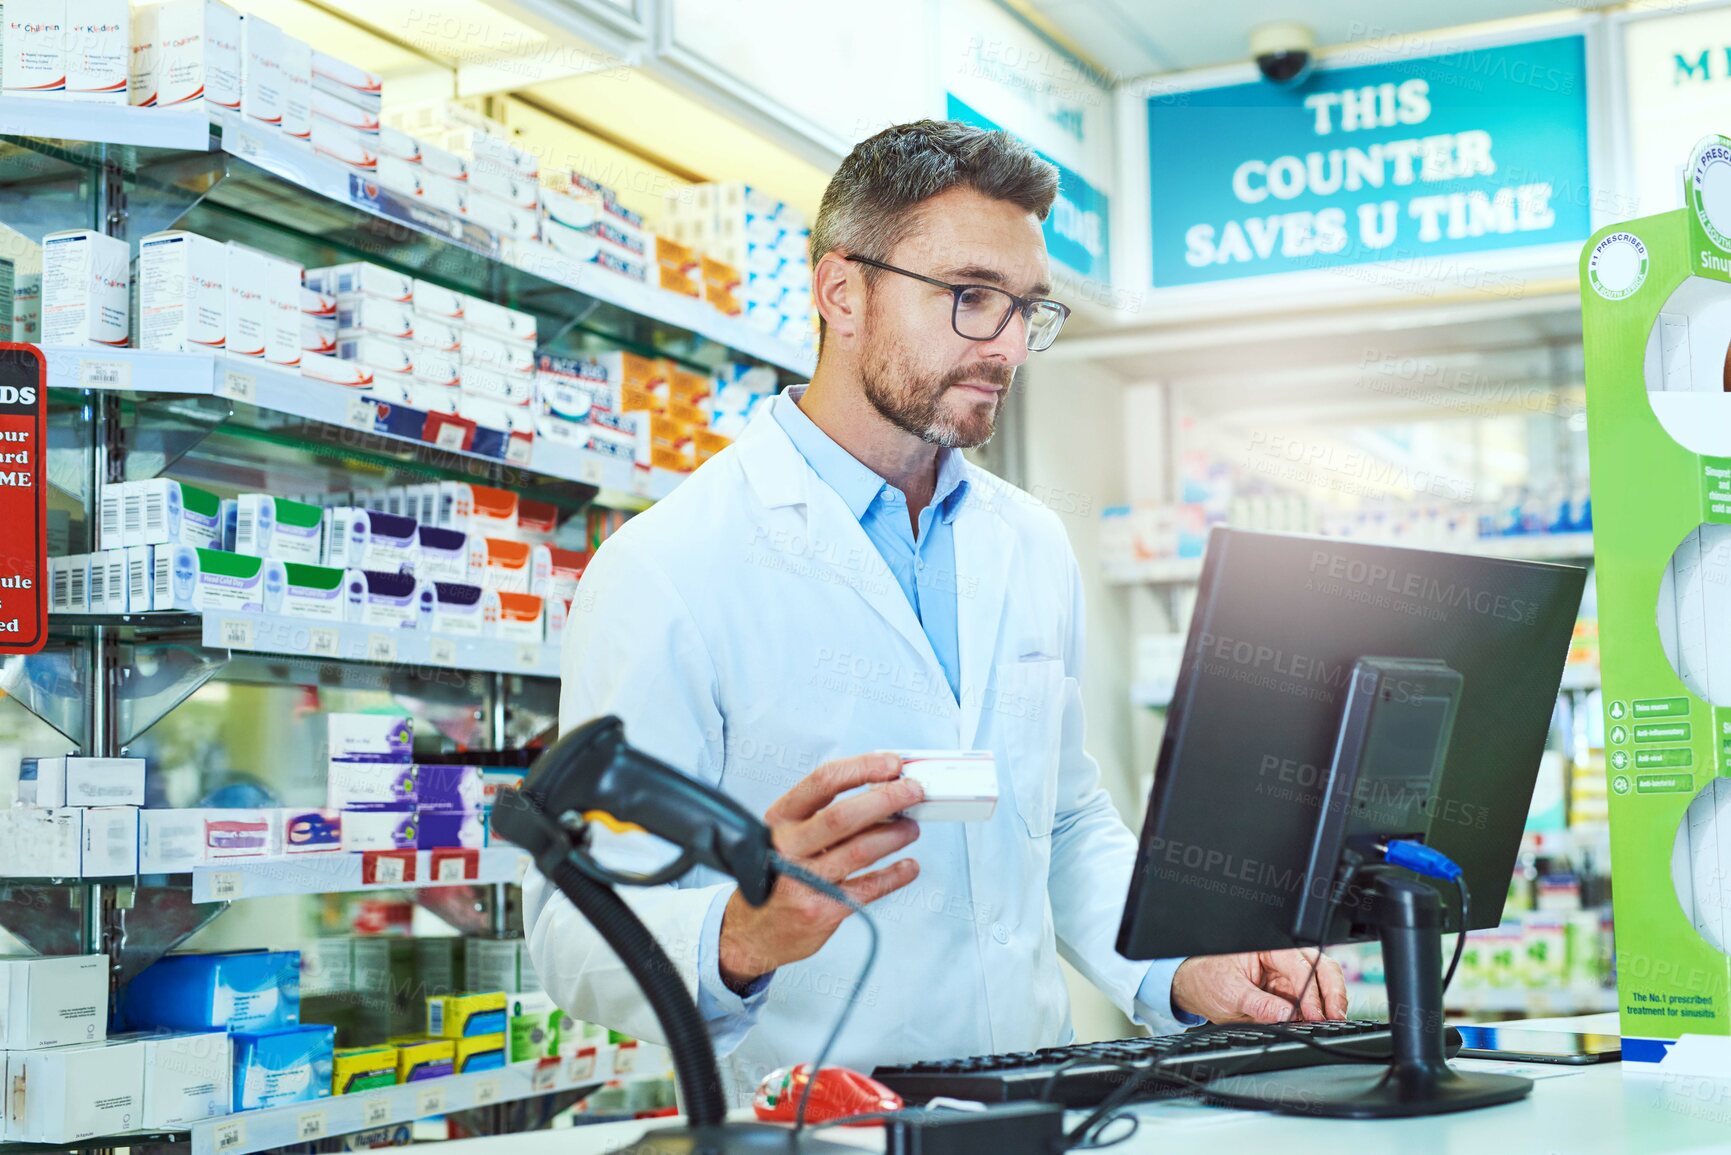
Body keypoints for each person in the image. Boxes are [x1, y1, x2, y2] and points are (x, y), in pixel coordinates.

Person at [524, 119, 1346, 1095]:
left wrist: (1182, 958)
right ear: (842, 291)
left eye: (1027, 310)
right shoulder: (669, 566)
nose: (1006, 346)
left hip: (1043, 1101)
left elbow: (1067, 821)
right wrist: (744, 932)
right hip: (826, 1125)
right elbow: (573, 937)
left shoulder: (1031, 542)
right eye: (969, 299)